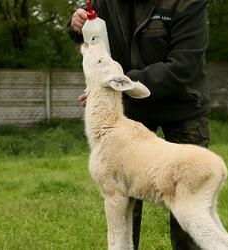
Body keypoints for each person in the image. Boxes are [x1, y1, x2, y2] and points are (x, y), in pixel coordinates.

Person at [67, 0, 210, 249]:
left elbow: (184, 66)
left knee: (187, 203)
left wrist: (118, 82)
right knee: (123, 195)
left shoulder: (187, 3)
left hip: (182, 106)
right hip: (130, 107)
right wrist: (76, 26)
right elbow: (93, 41)